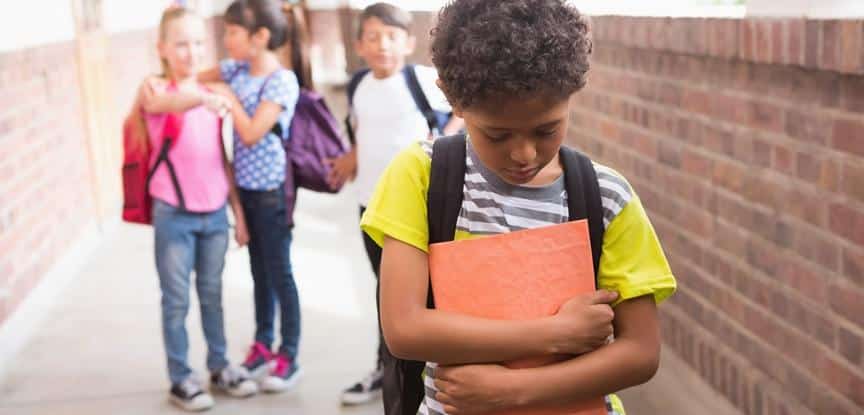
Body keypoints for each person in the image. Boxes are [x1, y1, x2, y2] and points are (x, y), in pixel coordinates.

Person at [360, 1, 678, 413]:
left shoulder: (605, 196)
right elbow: (404, 328)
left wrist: (511, 391)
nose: (525, 154)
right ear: (452, 99)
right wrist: (554, 333)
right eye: (498, 134)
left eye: (547, 129)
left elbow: (640, 351)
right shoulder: (422, 175)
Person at [141, 0, 306, 393]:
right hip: (235, 196)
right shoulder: (233, 70)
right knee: (256, 276)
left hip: (269, 194)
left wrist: (223, 98)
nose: (222, 41)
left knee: (279, 274)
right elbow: (192, 80)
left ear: (259, 37)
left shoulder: (281, 80)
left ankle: (289, 354)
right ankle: (262, 345)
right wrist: (159, 81)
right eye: (227, 32)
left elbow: (248, 133)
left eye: (231, 32)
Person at [327, 3, 464, 405]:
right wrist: (351, 157)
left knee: (424, 296)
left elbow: (460, 114)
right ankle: (388, 372)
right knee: (386, 295)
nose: (382, 44)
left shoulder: (420, 81)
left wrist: (442, 143)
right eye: (372, 36)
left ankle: (430, 370)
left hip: (417, 211)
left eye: (391, 36)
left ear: (408, 43)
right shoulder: (358, 86)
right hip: (370, 207)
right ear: (359, 45)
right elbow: (361, 130)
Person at [132, 6, 257, 411]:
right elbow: (174, 104)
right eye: (182, 44)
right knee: (176, 300)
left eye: (199, 43)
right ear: (163, 49)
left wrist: (237, 213)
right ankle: (181, 378)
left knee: (212, 293)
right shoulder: (154, 89)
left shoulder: (214, 96)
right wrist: (206, 96)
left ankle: (220, 366)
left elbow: (223, 159)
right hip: (174, 213)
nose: (192, 51)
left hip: (214, 213)